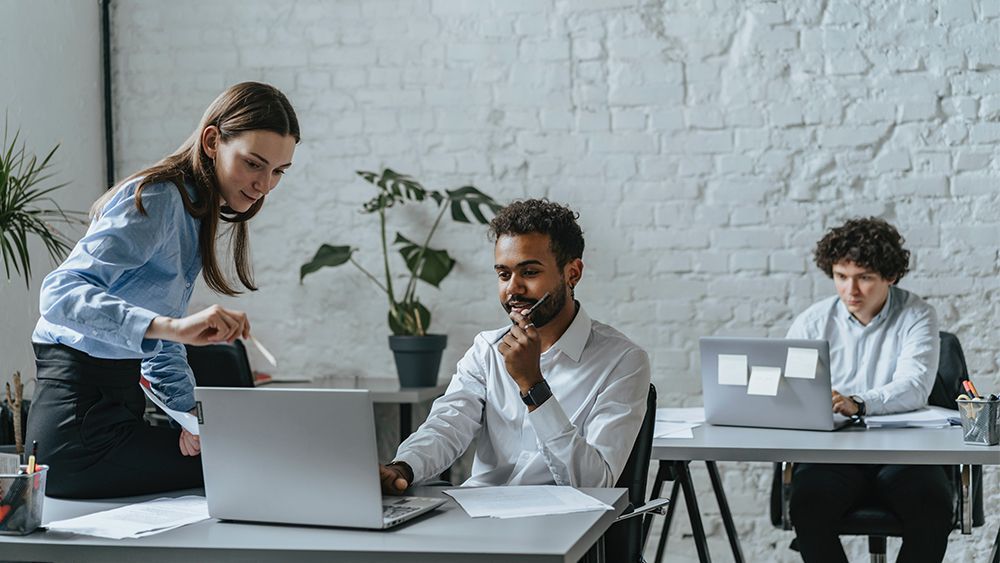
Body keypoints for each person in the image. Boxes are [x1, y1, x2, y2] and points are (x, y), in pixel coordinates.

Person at [25, 82, 300, 499]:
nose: (265, 184)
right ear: (212, 141)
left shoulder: (190, 211)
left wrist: (193, 420)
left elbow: (160, 346)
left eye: (278, 171)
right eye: (253, 164)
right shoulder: (159, 198)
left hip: (112, 416)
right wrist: (171, 326)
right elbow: (59, 293)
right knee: (246, 466)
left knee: (241, 460)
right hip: (77, 430)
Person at [378, 199, 651, 494]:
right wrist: (402, 467)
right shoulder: (486, 350)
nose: (513, 289)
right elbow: (447, 426)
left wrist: (533, 385)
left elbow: (595, 483)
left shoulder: (622, 360)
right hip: (481, 517)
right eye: (504, 274)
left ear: (572, 273)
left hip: (564, 527)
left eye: (530, 273)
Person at [786, 217, 952, 563]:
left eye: (864, 278)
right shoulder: (813, 321)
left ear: (889, 276)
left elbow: (914, 386)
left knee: (933, 504)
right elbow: (792, 390)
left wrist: (858, 403)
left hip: (905, 455)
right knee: (807, 503)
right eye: (841, 277)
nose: (851, 291)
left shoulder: (916, 315)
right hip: (834, 456)